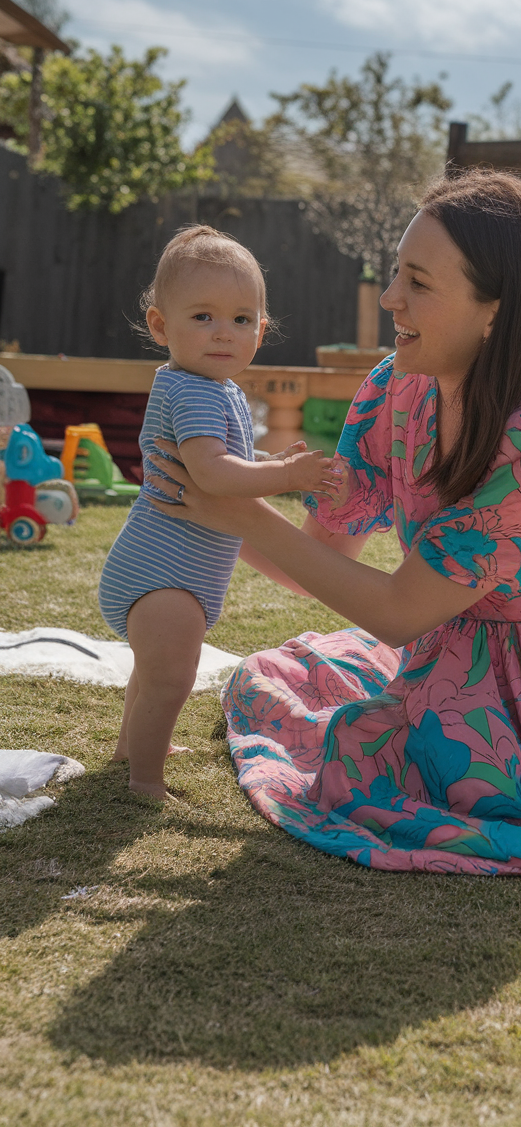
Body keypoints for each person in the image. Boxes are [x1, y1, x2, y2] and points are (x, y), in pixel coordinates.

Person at [147, 174, 521, 896]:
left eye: (417, 282)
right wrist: (204, 494)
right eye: (397, 273)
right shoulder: (400, 381)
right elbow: (321, 561)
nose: (391, 297)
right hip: (457, 648)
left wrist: (235, 513)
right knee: (338, 728)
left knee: (386, 766)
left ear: (498, 309)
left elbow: (397, 613)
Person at [99, 225, 337, 798]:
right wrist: (284, 475)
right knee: (171, 678)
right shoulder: (196, 390)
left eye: (241, 319)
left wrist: (266, 459)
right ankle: (144, 780)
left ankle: (134, 746)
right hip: (163, 577)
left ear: (261, 327)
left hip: (165, 574)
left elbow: (225, 458)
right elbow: (209, 474)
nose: (223, 334)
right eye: (202, 317)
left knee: (155, 669)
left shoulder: (212, 386)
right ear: (161, 325)